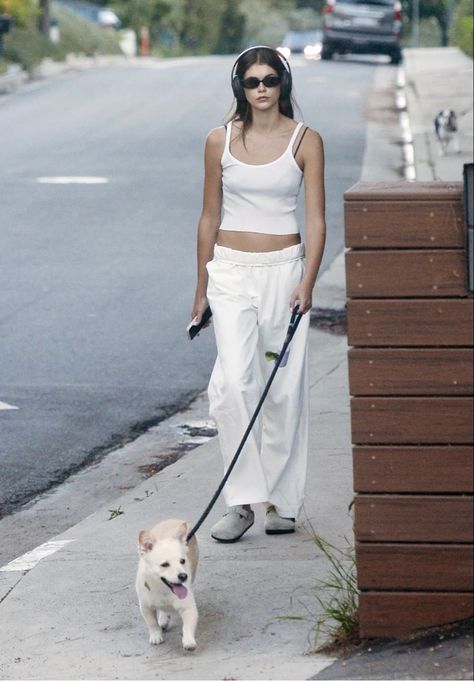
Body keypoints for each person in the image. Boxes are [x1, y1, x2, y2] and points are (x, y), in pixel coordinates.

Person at [191, 46, 326, 543]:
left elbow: (316, 219)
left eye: (270, 79)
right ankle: (243, 500)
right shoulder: (218, 141)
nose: (262, 88)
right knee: (230, 386)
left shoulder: (306, 141)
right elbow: (208, 216)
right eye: (252, 81)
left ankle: (283, 503)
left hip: (284, 272)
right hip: (229, 272)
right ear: (240, 88)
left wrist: (307, 281)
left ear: (283, 84)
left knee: (283, 391)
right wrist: (200, 290)